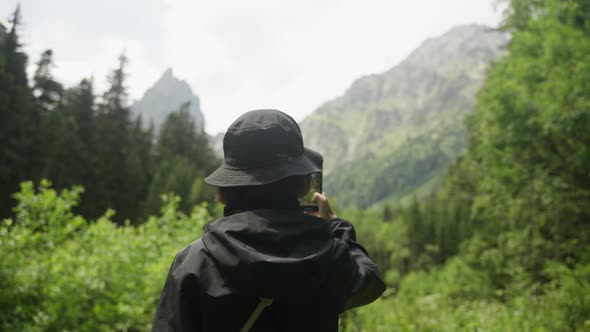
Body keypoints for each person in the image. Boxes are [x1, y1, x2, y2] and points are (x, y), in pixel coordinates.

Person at [152, 109, 385, 332]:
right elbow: (369, 281)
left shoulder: (195, 261)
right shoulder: (330, 255)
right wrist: (337, 226)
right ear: (303, 183)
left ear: (227, 186)